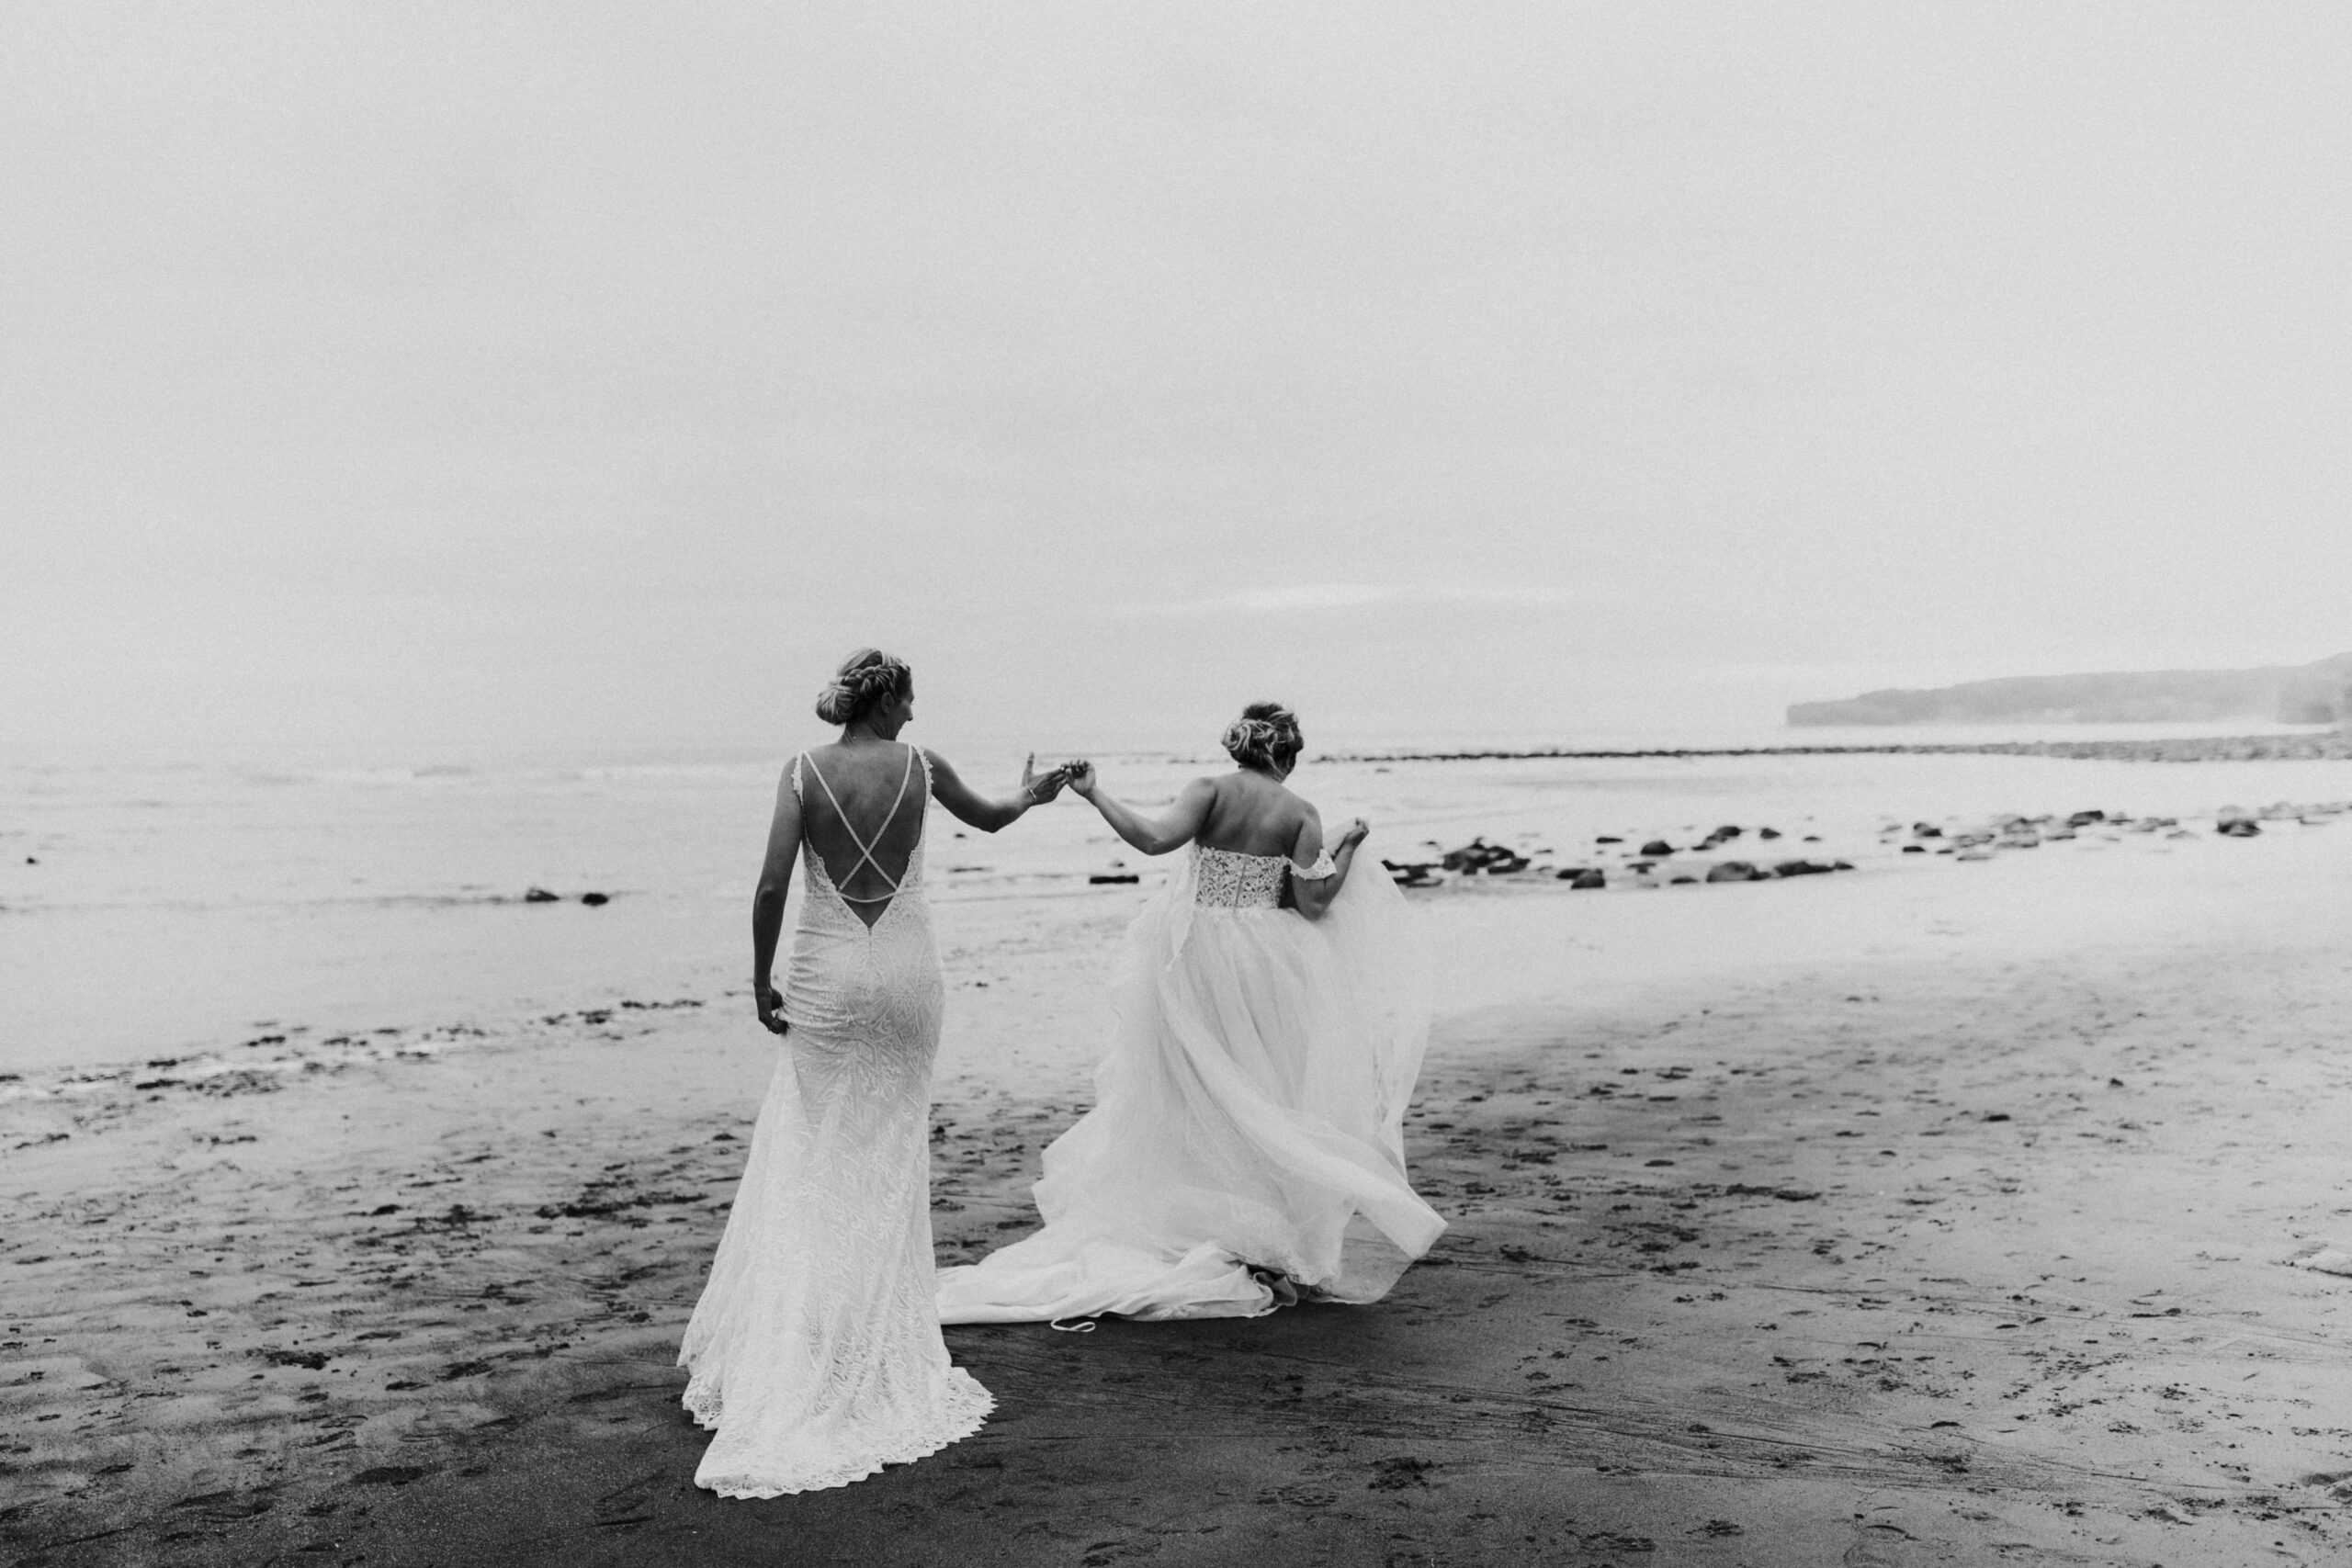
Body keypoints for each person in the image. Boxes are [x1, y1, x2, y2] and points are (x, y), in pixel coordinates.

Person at [678, 648, 1067, 1497]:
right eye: (912, 697)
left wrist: (758, 977)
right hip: (907, 976)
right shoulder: (924, 771)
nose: (917, 715)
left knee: (816, 1152)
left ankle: (808, 1338)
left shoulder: (802, 772)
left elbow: (772, 887)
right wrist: (1035, 793)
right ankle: (870, 1335)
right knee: (890, 1154)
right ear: (885, 697)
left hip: (825, 975)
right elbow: (997, 818)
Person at [938, 701, 1443, 1325]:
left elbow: (1152, 839)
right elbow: (1313, 902)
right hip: (1268, 961)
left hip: (1195, 954)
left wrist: (1096, 795)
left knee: (1192, 1092)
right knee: (1264, 1088)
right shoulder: (1301, 812)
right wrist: (1345, 843)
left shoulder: (1207, 790)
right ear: (1284, 752)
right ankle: (1258, 1234)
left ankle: (1202, 1222)